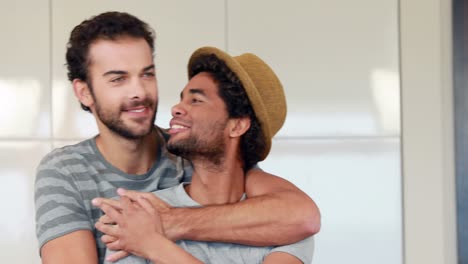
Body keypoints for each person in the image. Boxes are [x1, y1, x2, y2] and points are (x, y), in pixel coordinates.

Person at [34, 11, 320, 264]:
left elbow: (302, 215)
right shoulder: (65, 171)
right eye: (118, 79)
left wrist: (165, 225)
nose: (139, 92)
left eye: (147, 75)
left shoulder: (199, 151)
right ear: (84, 92)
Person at [94, 46, 315, 264]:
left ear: (237, 126)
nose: (176, 108)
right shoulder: (138, 216)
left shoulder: (283, 227)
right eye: (182, 99)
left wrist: (155, 246)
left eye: (196, 100)